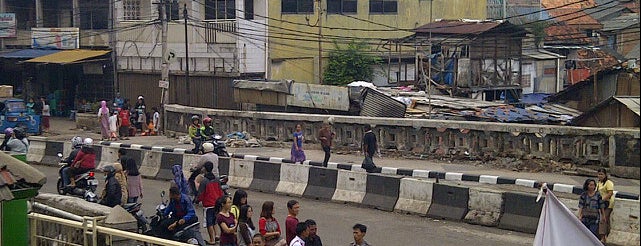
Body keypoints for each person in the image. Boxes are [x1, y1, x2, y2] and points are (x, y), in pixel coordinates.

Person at [198, 162, 225, 245]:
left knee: (209, 222)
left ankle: (212, 239)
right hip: (217, 203)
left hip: (208, 204)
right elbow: (220, 191)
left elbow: (201, 194)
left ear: (205, 169)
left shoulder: (204, 181)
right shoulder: (216, 179)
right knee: (215, 221)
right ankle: (217, 235)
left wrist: (197, 200)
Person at [597, 168, 614, 243]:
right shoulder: (599, 183)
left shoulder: (608, 183)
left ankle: (602, 236)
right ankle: (607, 235)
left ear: (605, 175)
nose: (600, 176)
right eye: (599, 174)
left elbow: (610, 193)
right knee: (606, 220)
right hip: (601, 204)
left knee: (603, 219)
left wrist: (602, 199)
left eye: (602, 174)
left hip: (608, 204)